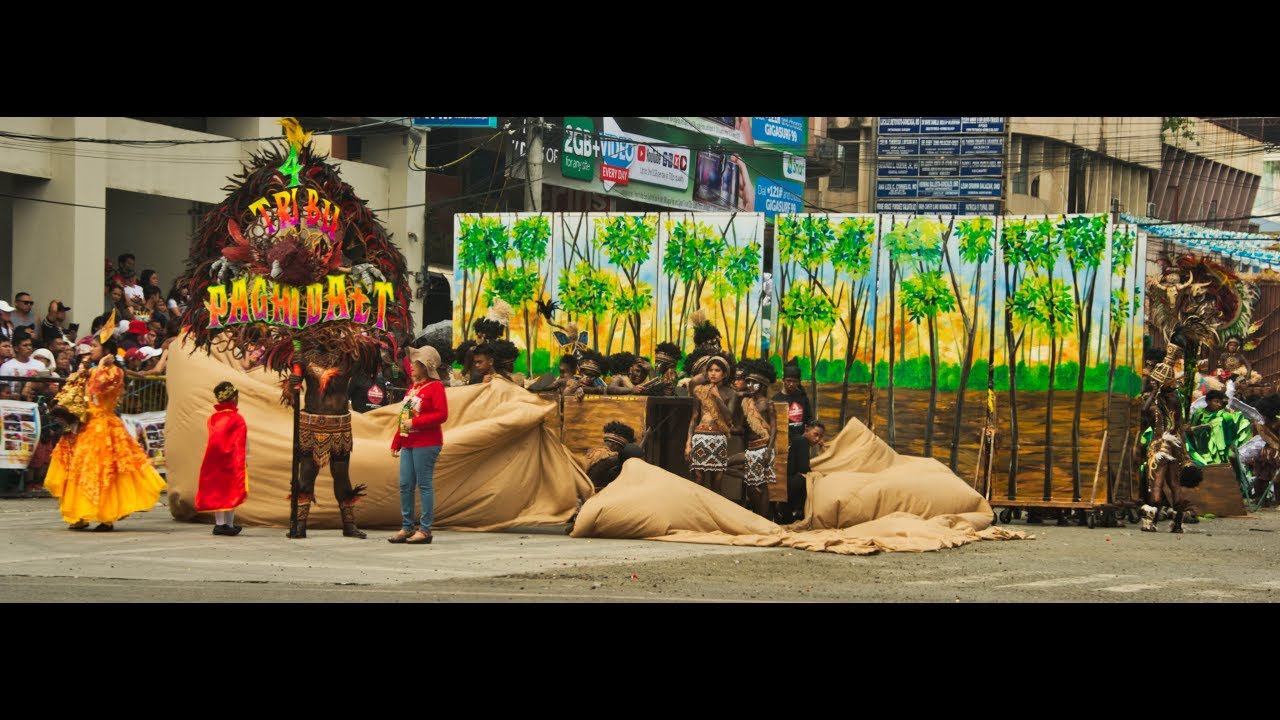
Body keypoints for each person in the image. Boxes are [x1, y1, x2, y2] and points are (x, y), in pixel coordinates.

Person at [41, 338, 166, 531]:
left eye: (95, 346)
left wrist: (98, 367)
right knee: (79, 470)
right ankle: (80, 514)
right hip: (87, 425)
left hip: (104, 427)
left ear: (106, 350)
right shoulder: (93, 370)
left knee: (102, 472)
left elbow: (97, 388)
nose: (91, 350)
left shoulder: (115, 371)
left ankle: (105, 517)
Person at [284, 341, 371, 540]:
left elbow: (338, 377)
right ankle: (300, 525)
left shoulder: (349, 356)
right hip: (311, 423)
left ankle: (349, 525)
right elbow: (292, 394)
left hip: (339, 425)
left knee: (341, 475)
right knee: (306, 473)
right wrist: (293, 382)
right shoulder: (304, 356)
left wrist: (306, 366)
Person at [389, 345, 448, 545]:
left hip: (427, 442)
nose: (411, 366)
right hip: (409, 442)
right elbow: (405, 415)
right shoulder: (413, 387)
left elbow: (442, 415)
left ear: (425, 366)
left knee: (424, 485)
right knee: (405, 484)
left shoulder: (436, 387)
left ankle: (425, 529)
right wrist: (398, 439)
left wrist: (416, 423)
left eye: (415, 363)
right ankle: (407, 526)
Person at [196, 381, 249, 536]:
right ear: (233, 399)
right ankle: (229, 524)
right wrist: (241, 461)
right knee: (232, 491)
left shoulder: (213, 418)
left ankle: (220, 524)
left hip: (213, 459)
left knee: (217, 490)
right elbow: (240, 443)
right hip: (231, 459)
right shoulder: (237, 418)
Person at [685, 354, 738, 492]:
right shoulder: (699, 391)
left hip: (719, 439)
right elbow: (694, 417)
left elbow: (729, 417)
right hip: (700, 438)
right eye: (710, 370)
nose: (713, 373)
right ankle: (698, 511)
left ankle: (714, 512)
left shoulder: (731, 393)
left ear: (725, 374)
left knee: (717, 481)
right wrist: (688, 443)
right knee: (698, 479)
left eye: (717, 370)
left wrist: (717, 396)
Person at [738, 358, 778, 518]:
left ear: (761, 385)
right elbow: (741, 427)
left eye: (753, 383)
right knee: (752, 486)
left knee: (762, 485)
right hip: (751, 448)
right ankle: (761, 517)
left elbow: (774, 428)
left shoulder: (768, 404)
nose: (749, 386)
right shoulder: (746, 402)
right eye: (748, 382)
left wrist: (769, 450)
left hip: (764, 448)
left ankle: (764, 519)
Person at [1186, 389, 1251, 466]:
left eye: (1220, 402)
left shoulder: (1223, 415)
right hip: (1202, 446)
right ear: (1208, 401)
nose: (1219, 404)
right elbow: (1192, 429)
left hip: (1219, 447)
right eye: (1216, 401)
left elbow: (1232, 425)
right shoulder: (1198, 413)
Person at [783, 419, 826, 522]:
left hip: (787, 480)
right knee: (811, 481)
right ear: (807, 430)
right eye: (815, 434)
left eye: (820, 436)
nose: (817, 439)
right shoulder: (803, 441)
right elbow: (803, 468)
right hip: (790, 481)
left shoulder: (797, 439)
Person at [580, 421, 637, 491]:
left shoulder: (592, 452)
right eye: (621, 447)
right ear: (615, 444)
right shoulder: (611, 457)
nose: (622, 450)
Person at [773, 358, 812, 443]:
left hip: (801, 441)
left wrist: (810, 430)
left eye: (794, 381)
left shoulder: (802, 398)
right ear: (783, 380)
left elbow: (809, 418)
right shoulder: (776, 399)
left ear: (799, 382)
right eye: (789, 381)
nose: (791, 384)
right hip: (783, 442)